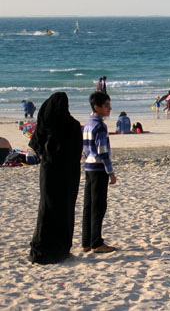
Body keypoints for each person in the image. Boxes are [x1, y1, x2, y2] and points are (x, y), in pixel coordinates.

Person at [28, 92, 83, 264]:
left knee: (47, 208)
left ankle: (42, 248)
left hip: (49, 172)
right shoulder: (72, 125)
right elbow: (77, 151)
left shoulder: (45, 125)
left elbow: (35, 146)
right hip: (68, 174)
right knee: (65, 209)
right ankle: (62, 249)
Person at [82, 91, 118, 254]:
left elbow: (85, 149)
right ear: (97, 107)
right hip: (98, 168)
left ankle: (86, 241)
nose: (109, 109)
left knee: (88, 205)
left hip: (89, 167)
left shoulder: (88, 124)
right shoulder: (100, 126)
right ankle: (96, 242)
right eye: (106, 106)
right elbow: (103, 152)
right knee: (98, 206)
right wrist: (110, 172)